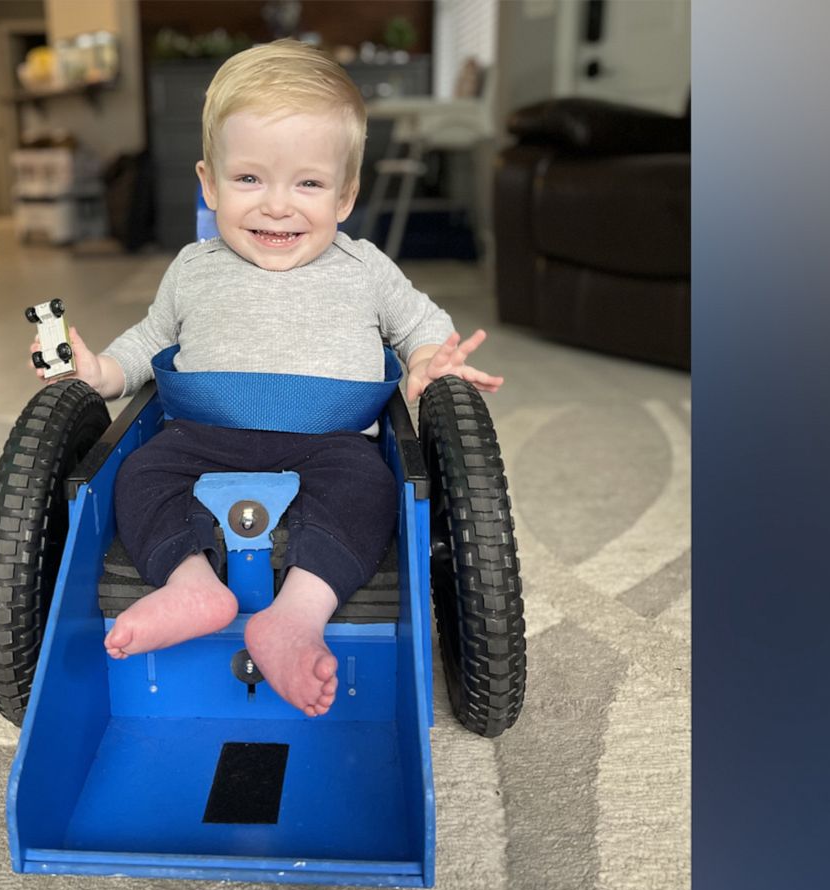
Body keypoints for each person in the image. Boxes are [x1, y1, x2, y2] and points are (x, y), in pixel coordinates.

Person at [31, 39, 501, 717]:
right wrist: (100, 371)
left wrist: (432, 362)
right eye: (249, 179)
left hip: (331, 441)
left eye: (307, 184)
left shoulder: (364, 267)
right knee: (140, 476)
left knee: (371, 488)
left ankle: (297, 616)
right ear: (210, 183)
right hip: (202, 436)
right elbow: (151, 341)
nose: (276, 206)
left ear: (346, 195)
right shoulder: (194, 267)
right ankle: (191, 584)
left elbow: (421, 324)